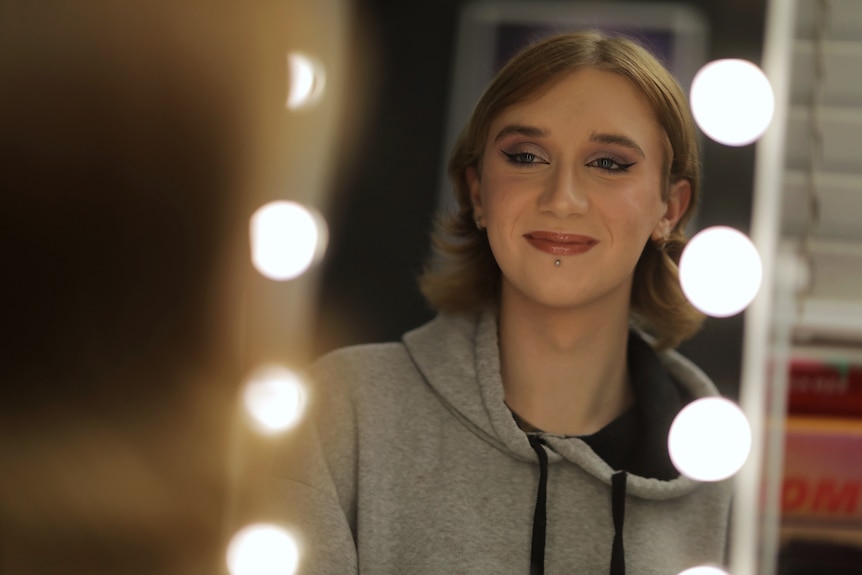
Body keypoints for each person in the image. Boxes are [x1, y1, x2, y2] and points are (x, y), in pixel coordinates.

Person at [269, 30, 732, 574]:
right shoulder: (343, 412)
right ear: (479, 192)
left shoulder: (722, 465)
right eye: (527, 156)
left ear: (669, 210)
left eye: (608, 163)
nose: (562, 198)